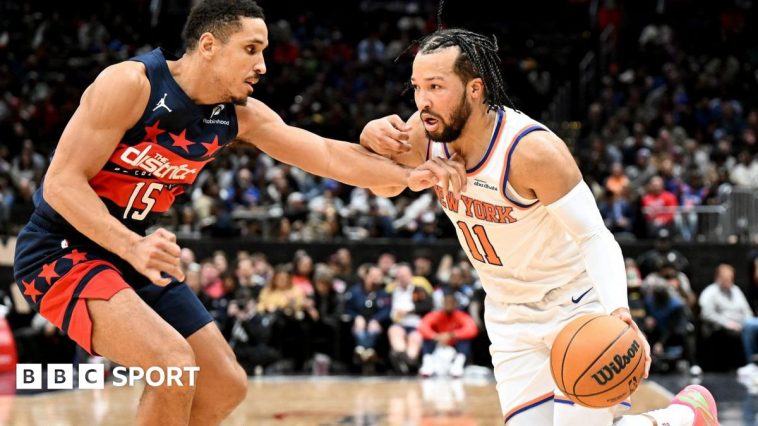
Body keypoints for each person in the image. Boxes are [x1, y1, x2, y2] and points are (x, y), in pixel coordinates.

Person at [11, 1, 465, 425]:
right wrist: (133, 245)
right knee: (171, 365)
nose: (262, 65)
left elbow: (328, 154)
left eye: (263, 51)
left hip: (133, 252)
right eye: (251, 49)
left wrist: (410, 175)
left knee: (225, 385)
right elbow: (61, 183)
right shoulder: (131, 84)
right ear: (208, 45)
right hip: (62, 248)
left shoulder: (239, 116)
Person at [360, 28, 717, 426]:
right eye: (416, 87)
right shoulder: (428, 131)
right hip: (509, 314)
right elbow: (380, 183)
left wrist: (619, 310)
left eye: (436, 86)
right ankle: (680, 420)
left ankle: (680, 417)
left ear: (474, 88)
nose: (422, 100)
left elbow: (595, 235)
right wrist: (367, 135)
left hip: (573, 305)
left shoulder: (532, 151)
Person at [417, 292, 478, 378]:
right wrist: (435, 336)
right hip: (438, 343)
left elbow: (472, 329)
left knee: (465, 341)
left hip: (454, 344)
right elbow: (423, 326)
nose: (448, 304)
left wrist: (451, 335)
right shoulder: (436, 315)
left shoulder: (461, 315)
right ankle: (427, 365)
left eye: (451, 302)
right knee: (427, 339)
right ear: (442, 303)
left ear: (455, 304)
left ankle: (458, 366)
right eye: (446, 302)